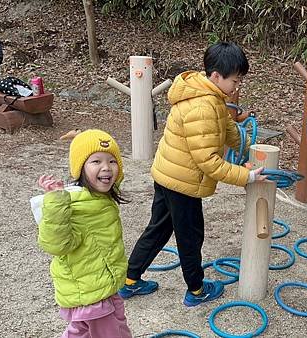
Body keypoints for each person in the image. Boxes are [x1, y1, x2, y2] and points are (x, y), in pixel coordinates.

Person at [119, 41, 266, 307]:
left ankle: (130, 281)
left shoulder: (208, 94)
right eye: (235, 80)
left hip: (167, 174)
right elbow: (209, 162)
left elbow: (227, 128)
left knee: (158, 229)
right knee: (190, 237)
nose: (238, 86)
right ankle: (196, 290)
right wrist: (248, 176)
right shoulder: (203, 107)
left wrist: (247, 150)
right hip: (183, 183)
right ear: (216, 76)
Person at [37, 129, 131, 337]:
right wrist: (54, 200)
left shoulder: (100, 195)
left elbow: (112, 176)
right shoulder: (74, 204)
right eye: (96, 161)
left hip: (103, 285)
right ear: (79, 169)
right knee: (111, 332)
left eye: (112, 161)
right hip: (90, 292)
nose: (106, 168)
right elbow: (56, 244)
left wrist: (83, 136)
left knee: (86, 331)